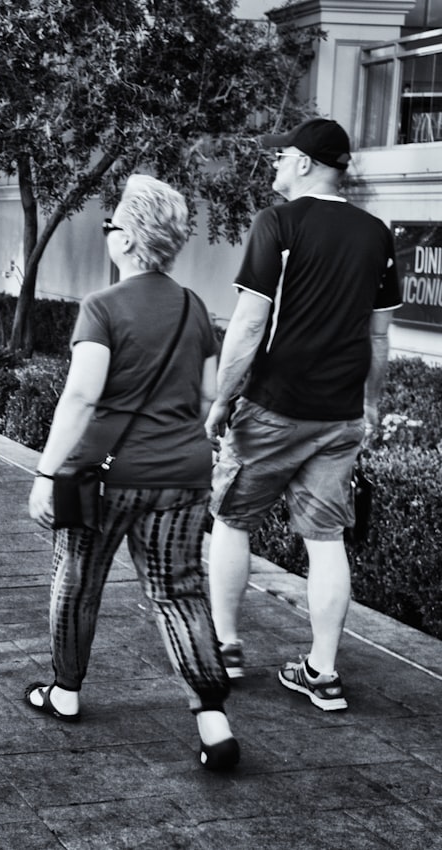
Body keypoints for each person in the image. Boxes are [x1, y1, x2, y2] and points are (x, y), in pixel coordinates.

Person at [26, 174, 238, 771]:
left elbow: (81, 398)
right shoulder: (195, 308)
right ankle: (213, 720)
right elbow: (207, 396)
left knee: (77, 580)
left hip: (106, 476)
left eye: (110, 223)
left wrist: (46, 473)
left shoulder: (102, 308)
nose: (107, 233)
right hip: (183, 475)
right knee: (178, 592)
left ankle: (65, 692)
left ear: (127, 239)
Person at [204, 118, 402, 712]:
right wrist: (368, 402)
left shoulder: (279, 225)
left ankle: (226, 648)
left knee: (233, 521)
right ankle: (322, 671)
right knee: (326, 540)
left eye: (282, 156)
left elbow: (248, 324)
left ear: (309, 163)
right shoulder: (376, 233)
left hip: (273, 407)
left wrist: (220, 399)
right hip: (339, 417)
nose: (274, 164)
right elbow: (380, 336)